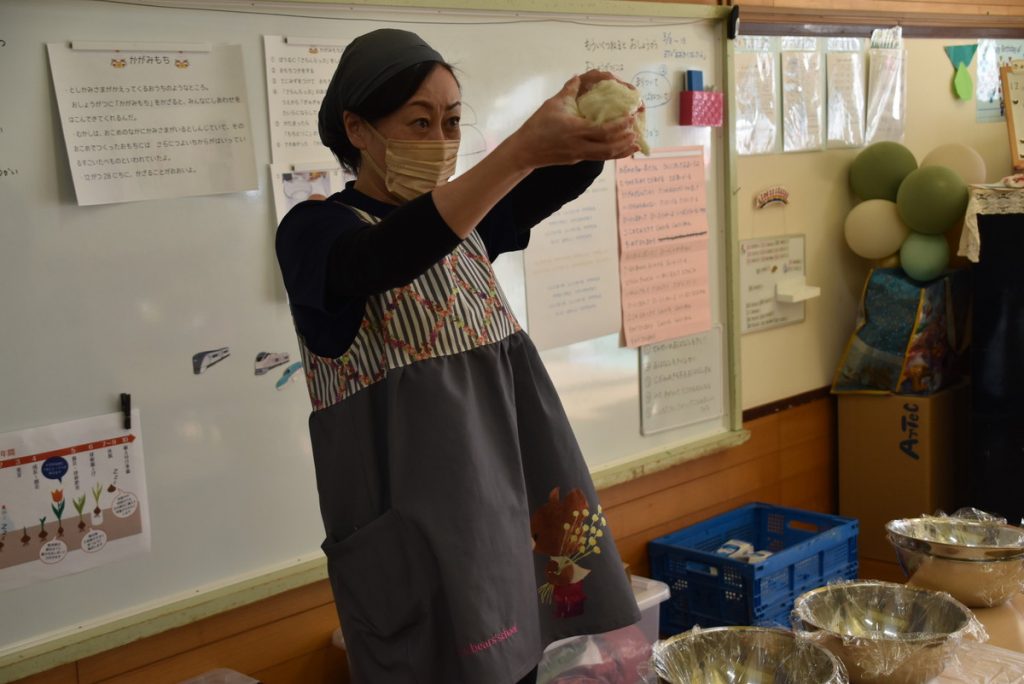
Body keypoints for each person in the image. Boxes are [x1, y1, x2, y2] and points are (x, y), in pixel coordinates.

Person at [276, 28, 641, 684]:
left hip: (504, 512)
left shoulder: (468, 221)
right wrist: (520, 151)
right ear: (357, 128)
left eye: (451, 122)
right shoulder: (316, 231)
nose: (442, 142)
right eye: (419, 122)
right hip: (417, 538)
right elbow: (385, 256)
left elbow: (546, 182)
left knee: (520, 665)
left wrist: (595, 121)